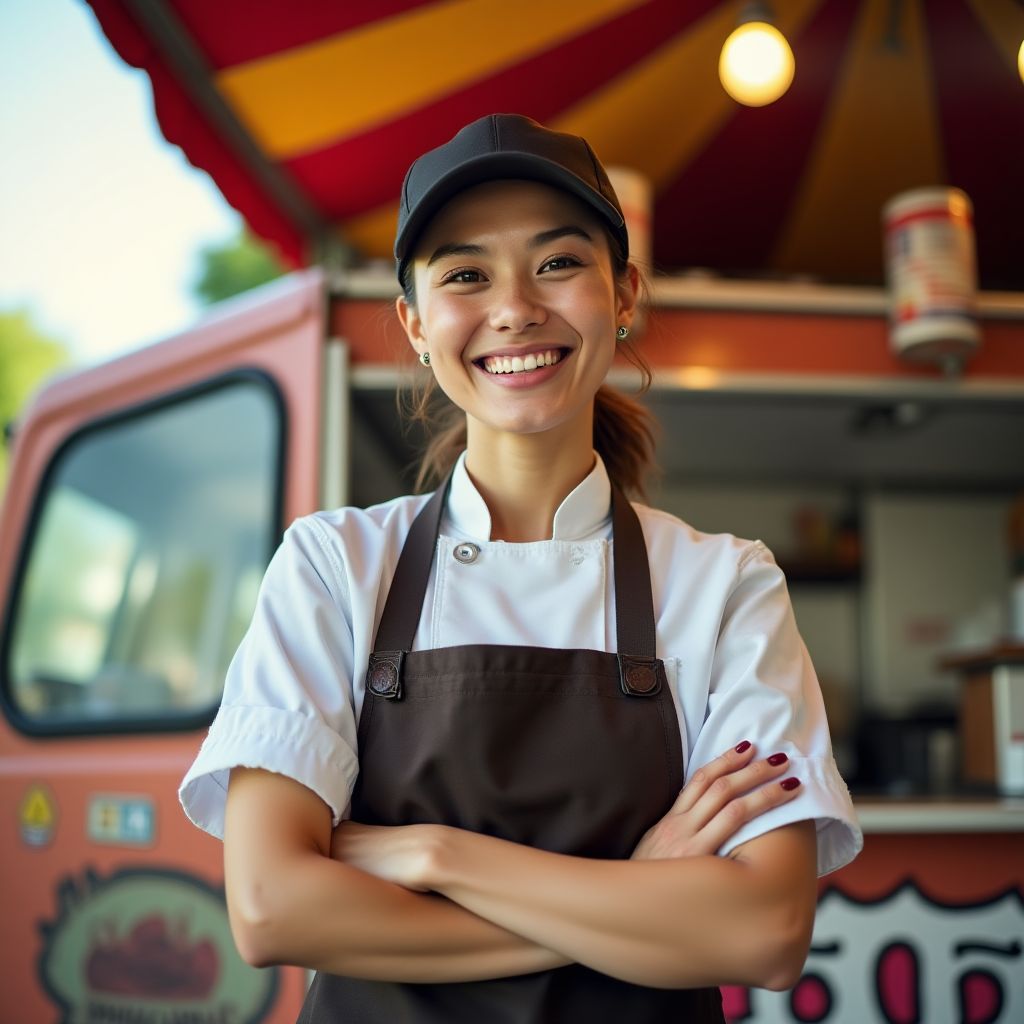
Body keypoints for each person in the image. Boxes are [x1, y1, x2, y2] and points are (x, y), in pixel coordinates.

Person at [180, 113, 862, 1022]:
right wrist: (636, 891)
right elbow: (272, 908)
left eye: (558, 263)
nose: (514, 307)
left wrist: (433, 857)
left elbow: (764, 931)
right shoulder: (335, 566)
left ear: (623, 295)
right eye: (466, 274)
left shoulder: (726, 584)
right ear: (416, 325)